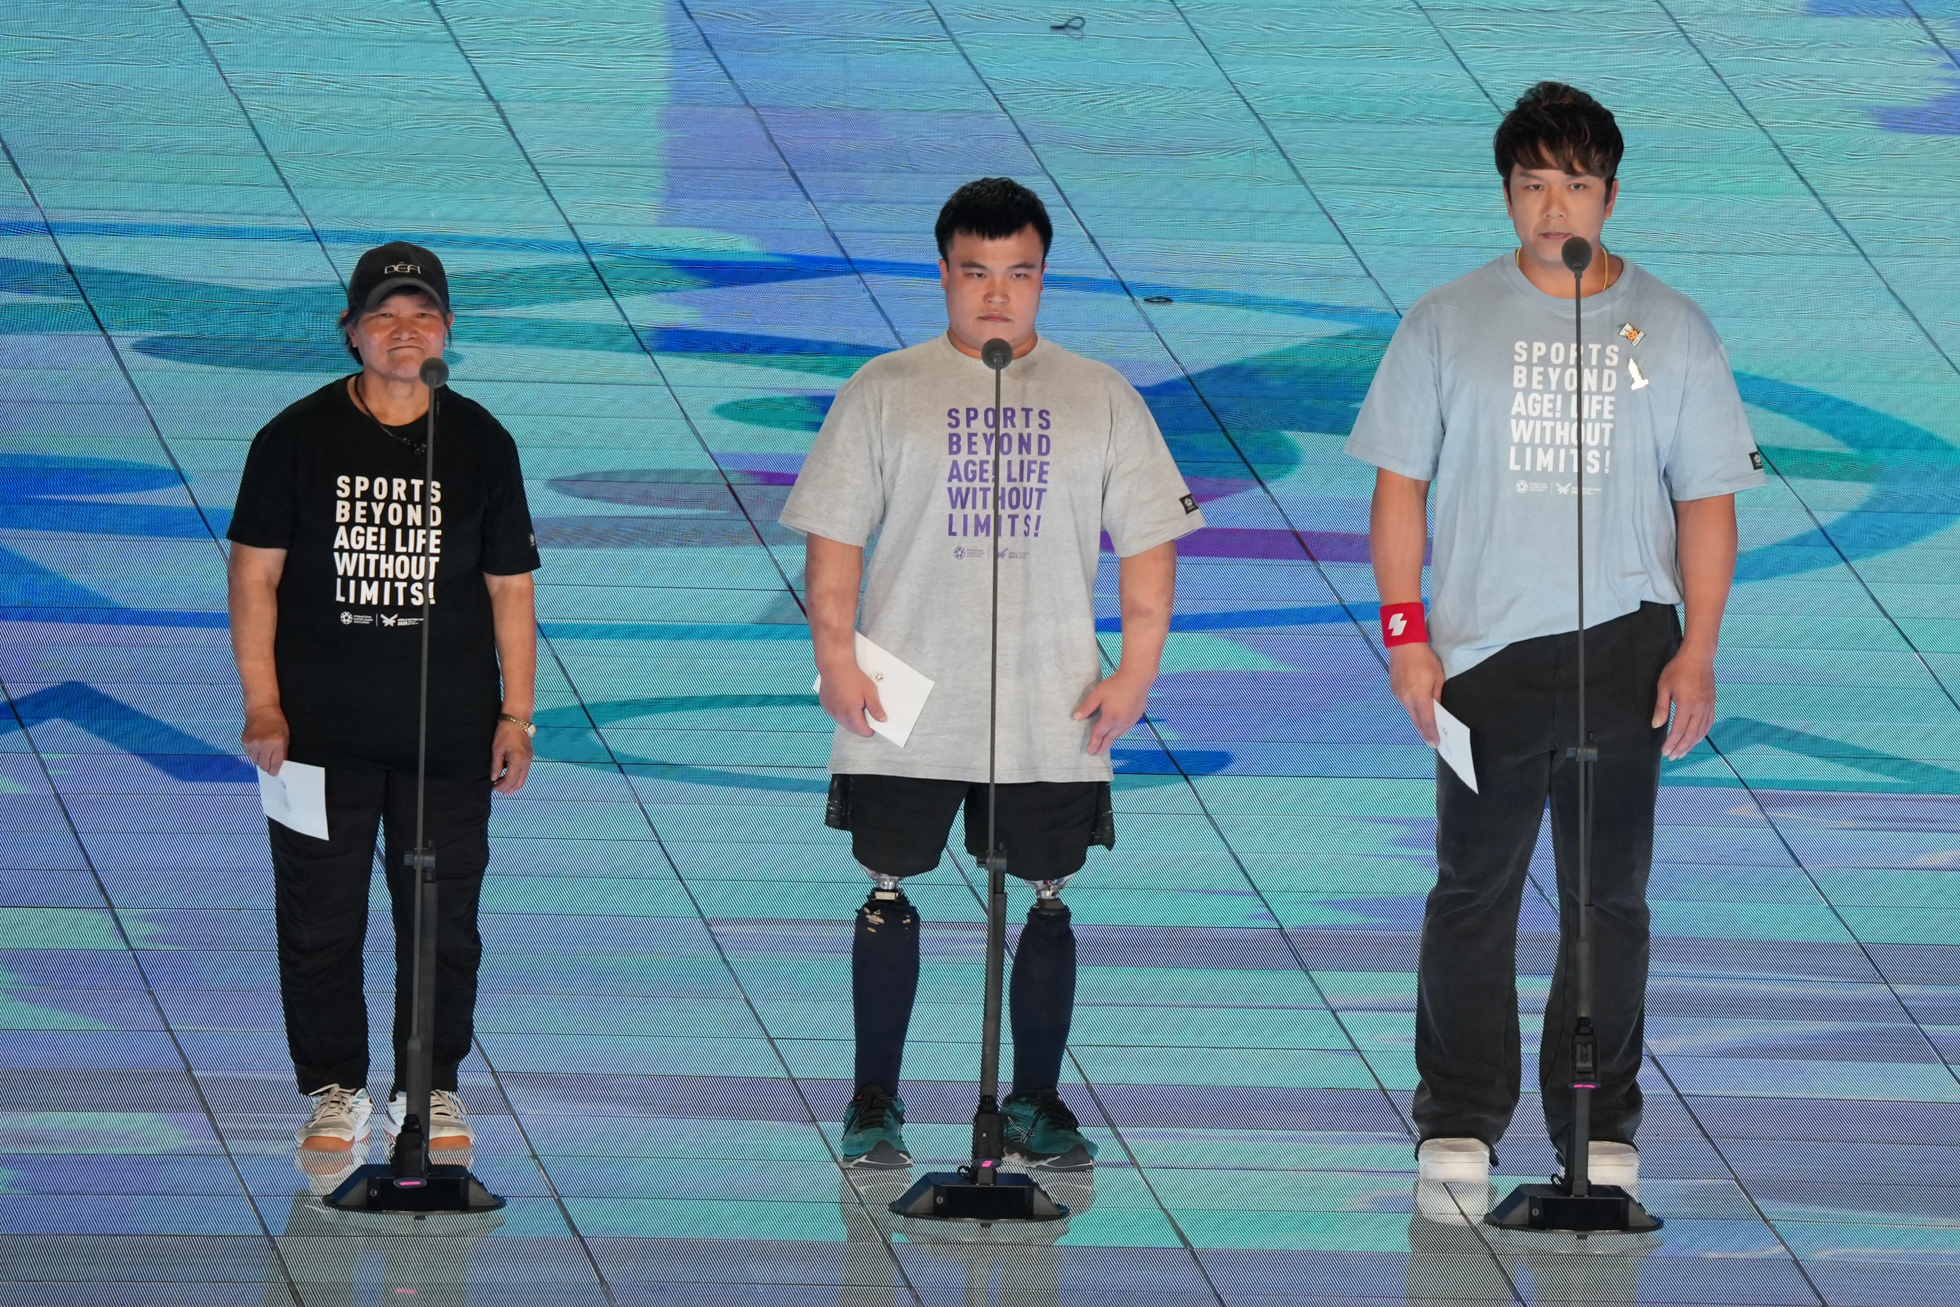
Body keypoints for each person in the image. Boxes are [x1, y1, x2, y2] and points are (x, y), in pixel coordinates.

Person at [1346, 84, 1764, 1196]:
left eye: (1574, 183)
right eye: (1532, 183)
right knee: (1471, 890)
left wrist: (1699, 647)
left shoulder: (1672, 326)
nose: (1552, 206)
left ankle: (1598, 1121)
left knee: (1608, 898)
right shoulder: (1445, 321)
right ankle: (1458, 1117)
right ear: (1506, 193)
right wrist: (1405, 635)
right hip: (1483, 657)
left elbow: (1707, 500)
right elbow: (1399, 489)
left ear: (1610, 195)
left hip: (1628, 648)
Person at [780, 178, 1204, 1169]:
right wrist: (833, 657)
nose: (998, 295)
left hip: (1052, 694)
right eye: (976, 273)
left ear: (1043, 277)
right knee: (888, 885)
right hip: (902, 690)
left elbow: (1150, 542)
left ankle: (1035, 1101)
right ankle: (874, 1099)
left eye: (1019, 273)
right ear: (943, 274)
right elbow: (833, 539)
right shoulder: (884, 388)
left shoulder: (1100, 394)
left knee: (1046, 894)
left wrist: (1137, 671)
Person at [226, 242, 541, 1155]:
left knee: (442, 923)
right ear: (352, 331)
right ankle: (335, 1088)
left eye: (422, 316)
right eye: (385, 317)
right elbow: (253, 578)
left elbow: (510, 588)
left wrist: (516, 714)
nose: (405, 332)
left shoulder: (481, 441)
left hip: (449, 735)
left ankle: (430, 1086)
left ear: (447, 331)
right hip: (314, 734)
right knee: (318, 917)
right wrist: (263, 704)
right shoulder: (293, 438)